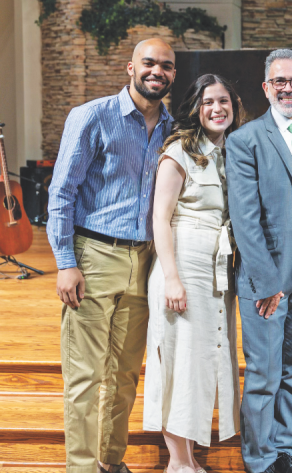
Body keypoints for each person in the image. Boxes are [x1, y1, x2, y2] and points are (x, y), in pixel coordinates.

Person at [47, 38, 176, 473]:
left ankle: (111, 461)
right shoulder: (93, 116)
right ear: (130, 67)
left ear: (173, 74)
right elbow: (62, 192)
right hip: (94, 256)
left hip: (144, 261)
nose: (157, 71)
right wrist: (66, 262)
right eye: (149, 63)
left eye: (166, 66)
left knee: (124, 376)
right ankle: (82, 468)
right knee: (84, 375)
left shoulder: (172, 127)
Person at [226, 49, 292, 473]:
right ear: (266, 88)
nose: (289, 88)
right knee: (265, 372)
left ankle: (285, 450)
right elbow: (245, 219)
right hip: (266, 274)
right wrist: (268, 282)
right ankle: (260, 459)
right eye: (280, 81)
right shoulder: (245, 139)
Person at [143, 74, 244, 471]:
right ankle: (180, 462)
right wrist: (172, 278)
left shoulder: (234, 152)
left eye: (223, 101)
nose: (217, 108)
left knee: (204, 357)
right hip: (184, 263)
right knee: (181, 358)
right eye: (208, 102)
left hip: (218, 268)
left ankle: (188, 458)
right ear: (195, 109)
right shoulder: (178, 151)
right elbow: (160, 218)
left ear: (234, 106)